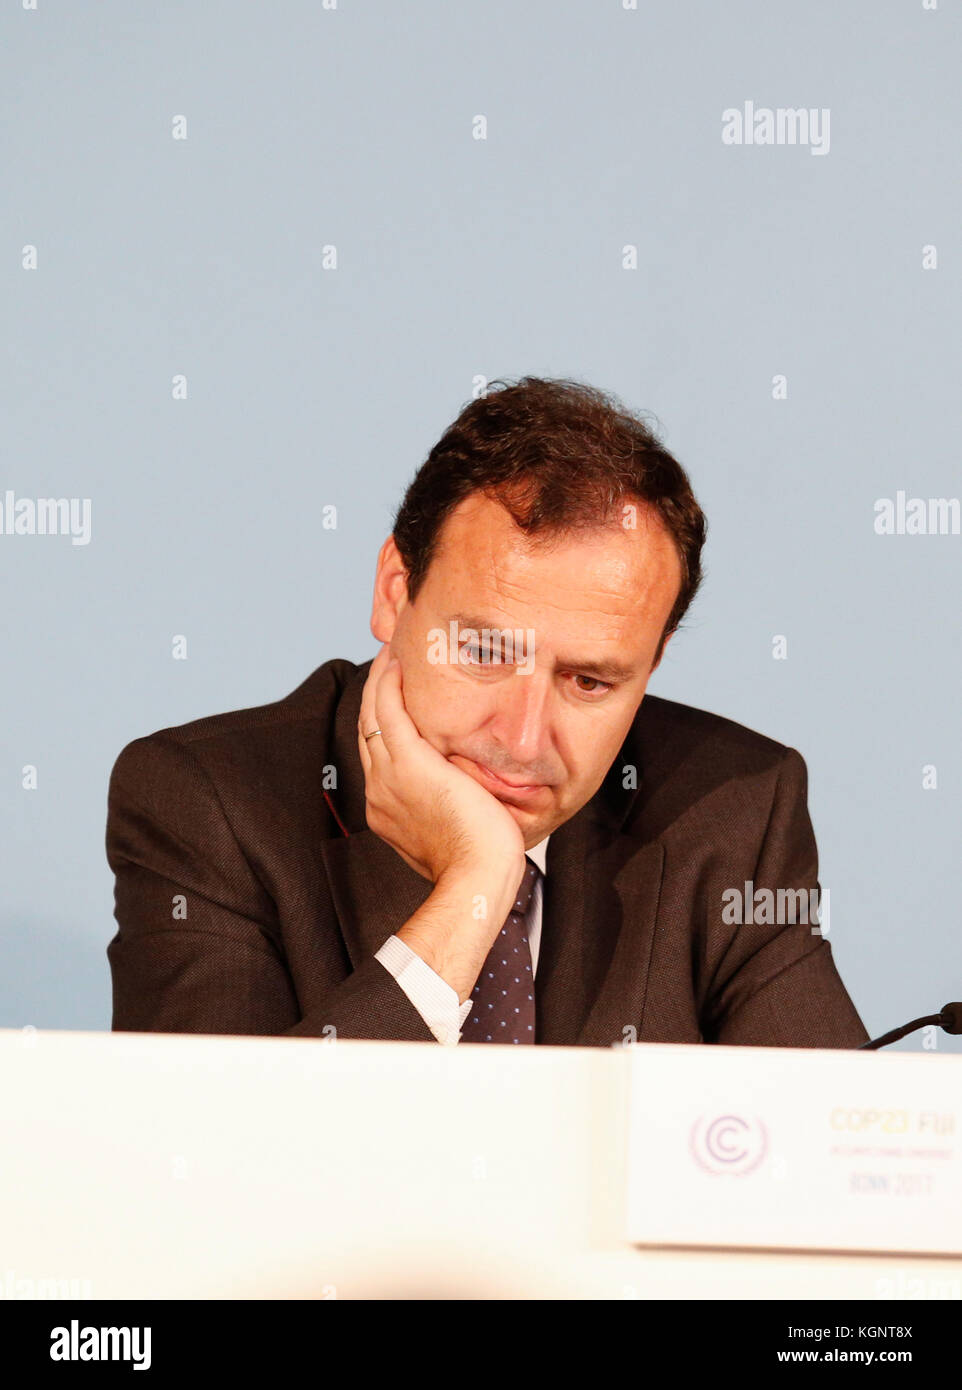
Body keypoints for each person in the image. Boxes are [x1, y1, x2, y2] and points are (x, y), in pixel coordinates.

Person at [105, 376, 868, 1048]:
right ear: (394, 591)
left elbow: (832, 1166)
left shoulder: (734, 814)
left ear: (654, 662)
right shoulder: (210, 805)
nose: (524, 738)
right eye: (483, 653)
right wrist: (476, 884)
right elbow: (215, 1173)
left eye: (591, 682)